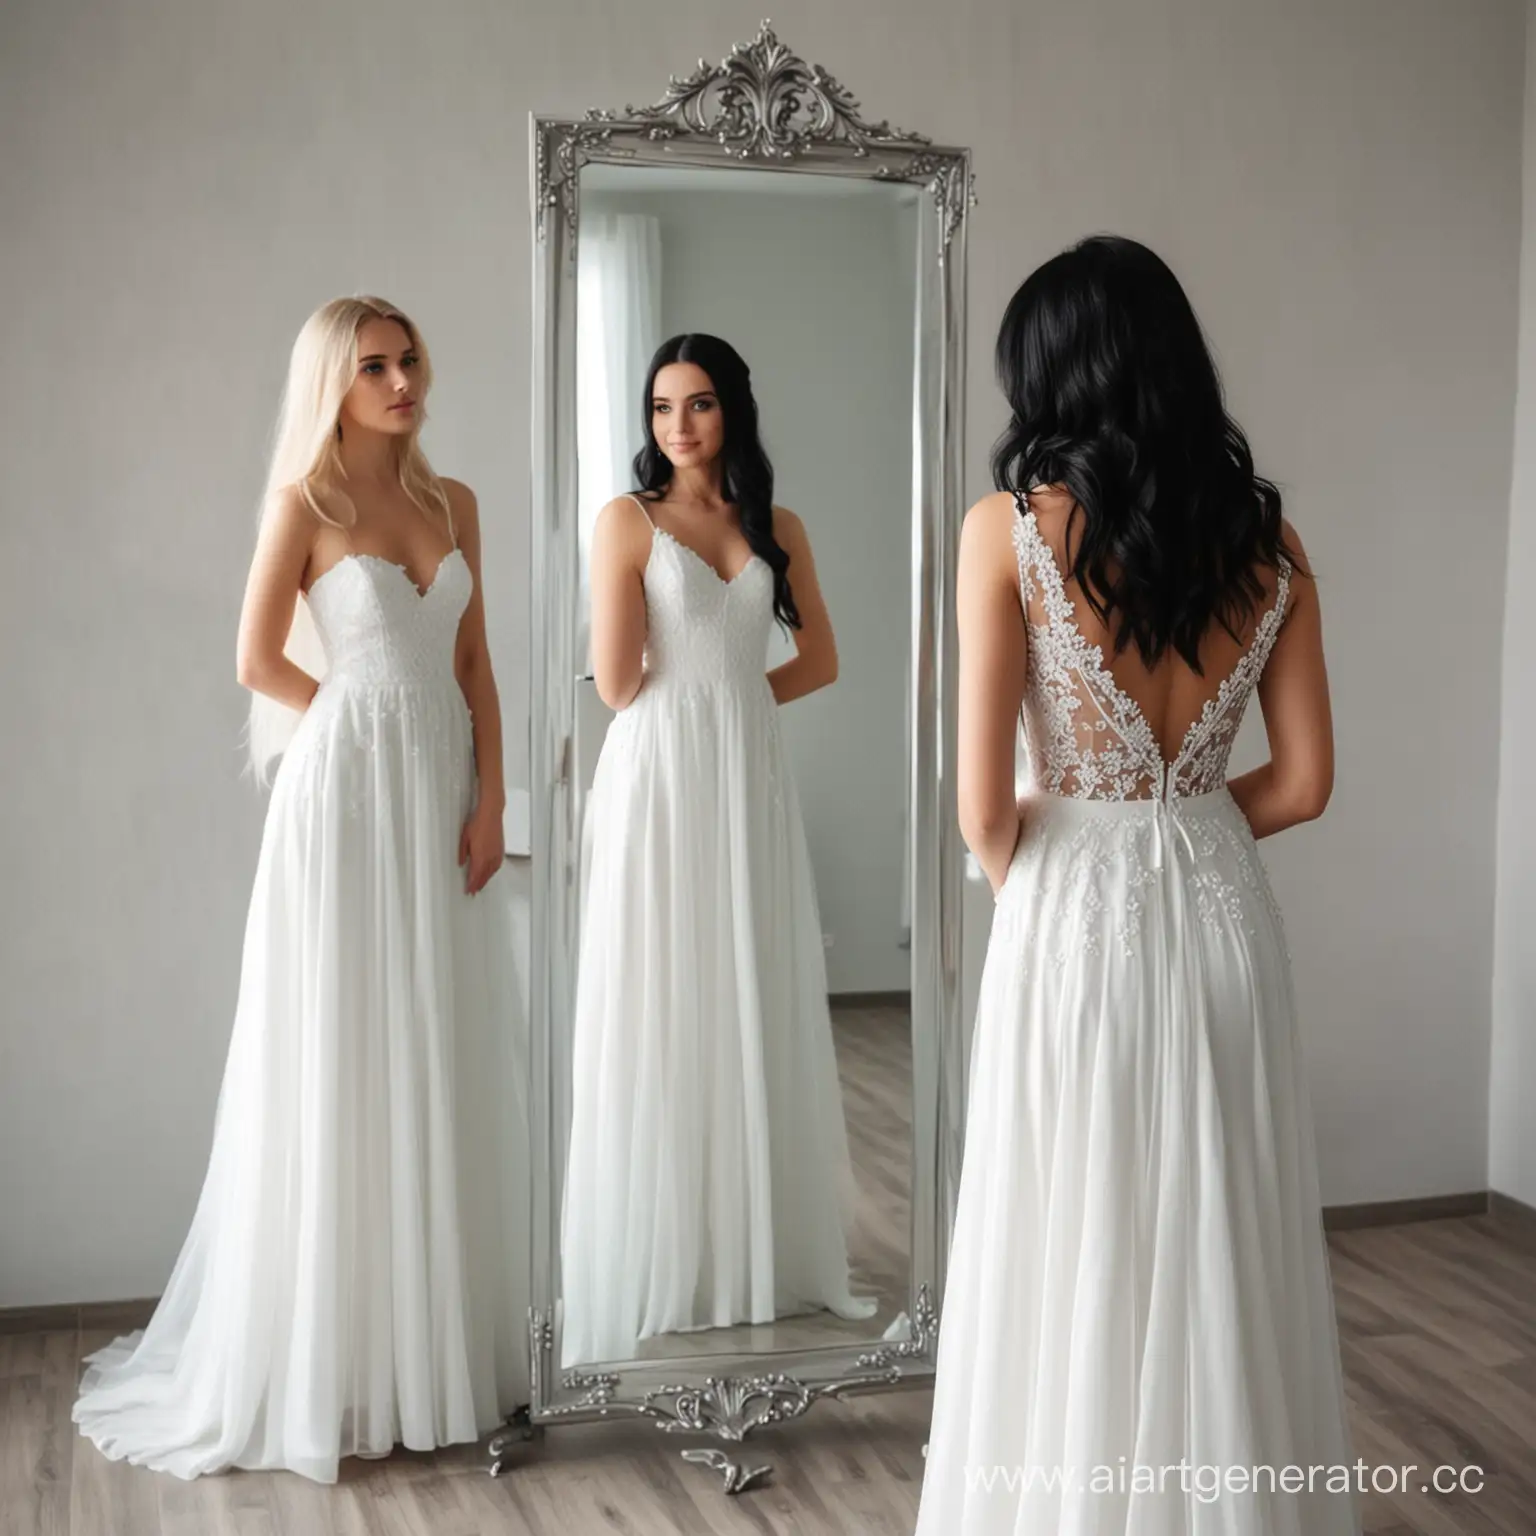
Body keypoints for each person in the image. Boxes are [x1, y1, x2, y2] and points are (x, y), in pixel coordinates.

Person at [915, 238, 1359, 1533]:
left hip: (1071, 910)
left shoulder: (1006, 531)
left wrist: (1058, 882)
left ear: (1053, 371)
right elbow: (1308, 781)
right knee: (1223, 1232)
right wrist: (1189, 838)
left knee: (1072, 1233)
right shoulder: (1267, 538)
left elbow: (982, 808)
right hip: (1221, 906)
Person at [72, 296, 530, 1483]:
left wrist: (492, 800)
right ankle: (333, 1362)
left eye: (409, 358)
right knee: (340, 1047)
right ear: (332, 382)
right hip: (345, 800)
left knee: (435, 1043)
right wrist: (345, 721)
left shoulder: (453, 503)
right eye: (373, 365)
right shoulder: (309, 506)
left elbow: (474, 662)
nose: (399, 380)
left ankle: (431, 1354)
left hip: (439, 789)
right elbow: (253, 655)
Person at [559, 333, 877, 1366]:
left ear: (732, 408)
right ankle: (663, 1254)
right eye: (660, 408)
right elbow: (615, 686)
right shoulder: (627, 521)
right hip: (657, 776)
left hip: (746, 775)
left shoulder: (776, 525)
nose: (678, 426)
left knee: (745, 982)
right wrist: (707, 700)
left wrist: (737, 702)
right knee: (667, 987)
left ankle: (755, 1253)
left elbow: (819, 659)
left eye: (697, 404)